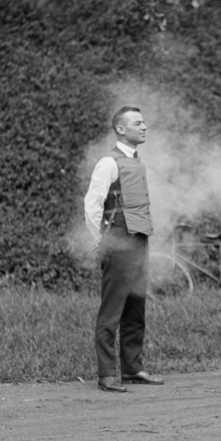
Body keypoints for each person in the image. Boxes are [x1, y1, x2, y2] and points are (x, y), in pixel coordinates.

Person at [84, 107, 164, 392]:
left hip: (140, 237)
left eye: (143, 122)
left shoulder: (137, 161)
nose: (144, 127)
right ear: (120, 129)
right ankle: (107, 374)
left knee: (136, 306)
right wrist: (100, 240)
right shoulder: (109, 162)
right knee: (112, 309)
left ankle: (132, 368)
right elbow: (92, 204)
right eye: (137, 123)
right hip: (118, 238)